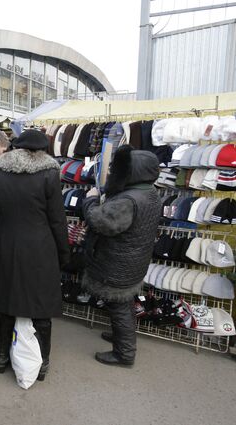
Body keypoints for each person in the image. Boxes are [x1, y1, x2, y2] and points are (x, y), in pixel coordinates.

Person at [0, 129, 70, 381]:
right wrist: (63, 252)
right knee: (40, 304)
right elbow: (57, 218)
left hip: (6, 243)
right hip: (40, 246)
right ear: (43, 149)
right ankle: (42, 362)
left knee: (5, 301)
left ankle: (2, 357)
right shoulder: (49, 173)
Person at [81, 145, 161, 367]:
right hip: (133, 258)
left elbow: (100, 223)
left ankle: (124, 354)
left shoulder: (129, 199)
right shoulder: (149, 192)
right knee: (122, 303)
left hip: (118, 261)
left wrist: (90, 200)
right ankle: (121, 336)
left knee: (119, 306)